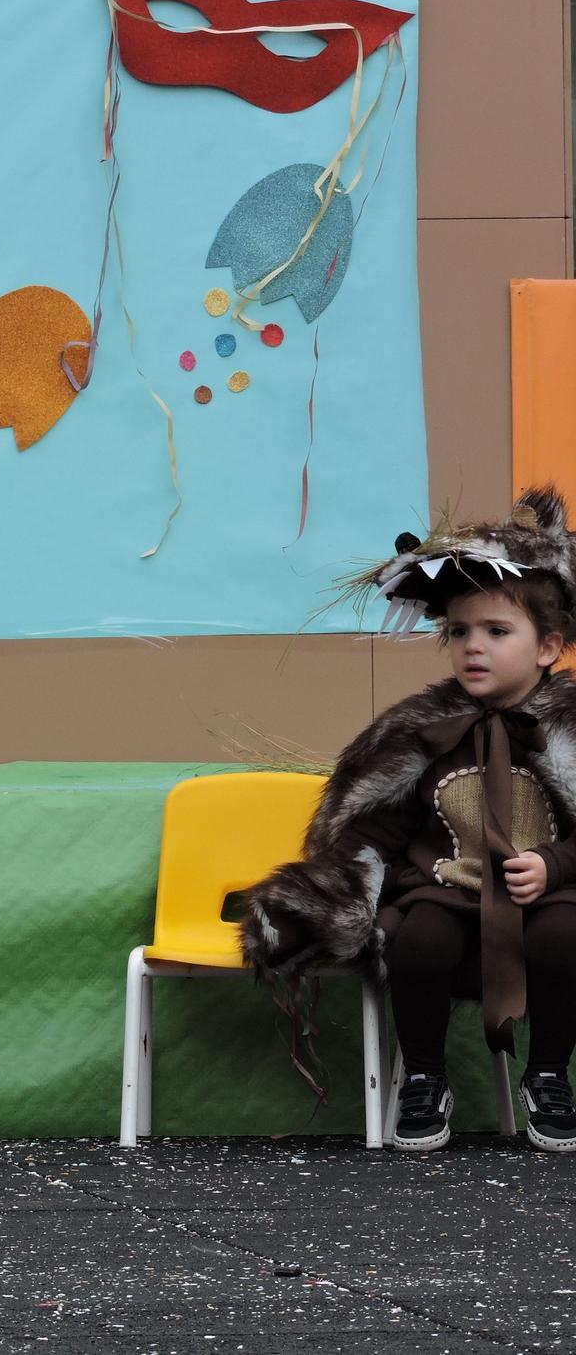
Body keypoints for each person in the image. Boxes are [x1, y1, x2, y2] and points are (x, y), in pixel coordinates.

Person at [240, 486, 576, 1152]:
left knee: (565, 933)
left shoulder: (570, 730)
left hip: (548, 898)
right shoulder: (420, 730)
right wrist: (354, 887)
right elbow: (374, 824)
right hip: (445, 893)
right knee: (418, 936)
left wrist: (555, 864)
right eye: (458, 632)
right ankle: (424, 1075)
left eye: (496, 632)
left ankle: (549, 1074)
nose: (472, 648)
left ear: (548, 648)